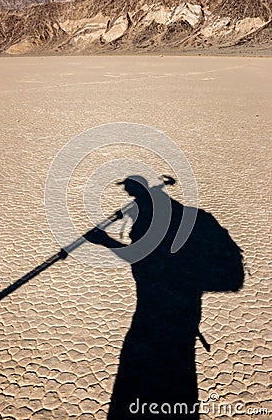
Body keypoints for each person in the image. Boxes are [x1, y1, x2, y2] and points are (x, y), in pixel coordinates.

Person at [85, 175, 244, 419]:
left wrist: (105, 240)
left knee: (139, 398)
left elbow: (142, 259)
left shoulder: (154, 225)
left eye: (134, 195)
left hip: (155, 327)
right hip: (179, 325)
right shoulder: (199, 220)